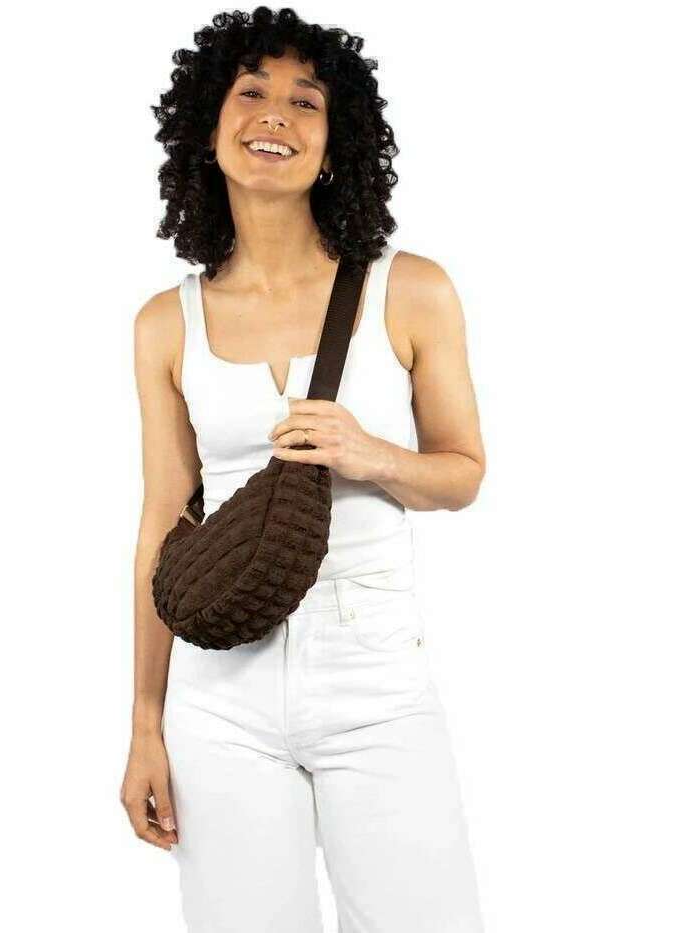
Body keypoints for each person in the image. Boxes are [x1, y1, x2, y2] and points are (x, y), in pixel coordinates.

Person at [122, 8, 487, 931]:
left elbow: (462, 473)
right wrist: (144, 722)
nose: (274, 114)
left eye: (305, 100)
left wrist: (370, 453)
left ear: (333, 145)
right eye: (249, 92)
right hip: (220, 689)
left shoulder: (410, 289)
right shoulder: (166, 322)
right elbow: (163, 521)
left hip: (374, 674)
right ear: (208, 128)